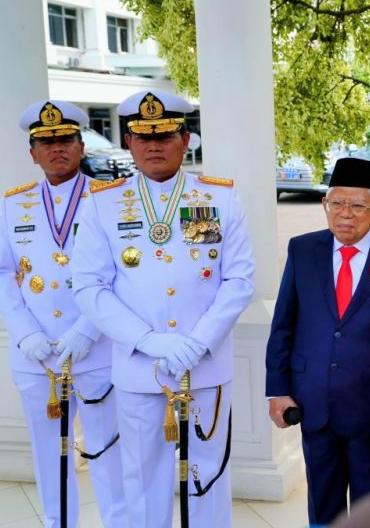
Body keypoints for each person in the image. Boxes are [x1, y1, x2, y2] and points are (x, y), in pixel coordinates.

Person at [71, 90, 255, 528]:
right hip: (140, 367)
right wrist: (148, 340)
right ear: (129, 143)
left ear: (185, 140)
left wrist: (197, 343)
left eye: (165, 135)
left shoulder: (217, 198)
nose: (154, 145)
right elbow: (90, 285)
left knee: (208, 476)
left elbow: (238, 281)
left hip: (205, 367)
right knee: (141, 479)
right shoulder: (104, 202)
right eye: (143, 136)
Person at [0, 100, 127, 527]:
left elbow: (122, 272)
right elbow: (0, 274)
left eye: (65, 139)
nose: (57, 148)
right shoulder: (15, 204)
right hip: (38, 354)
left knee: (108, 453)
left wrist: (87, 330)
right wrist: (25, 333)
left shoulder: (111, 199)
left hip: (96, 349)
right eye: (46, 142)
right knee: (49, 455)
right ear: (33, 153)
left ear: (81, 147)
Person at [265, 157, 370, 525]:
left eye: (357, 205)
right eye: (337, 203)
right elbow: (283, 325)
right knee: (323, 505)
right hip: (314, 405)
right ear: (325, 204)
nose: (345, 214)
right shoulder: (303, 250)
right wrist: (277, 390)